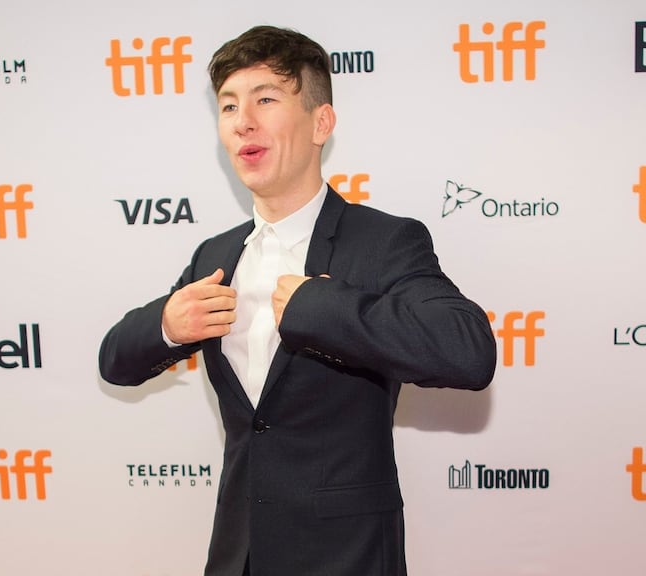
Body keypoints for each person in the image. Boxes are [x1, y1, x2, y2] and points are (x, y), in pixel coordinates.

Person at [98, 25, 497, 576]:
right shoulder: (215, 254)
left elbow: (469, 352)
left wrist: (325, 309)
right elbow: (115, 362)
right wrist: (167, 323)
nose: (243, 121)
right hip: (240, 555)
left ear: (321, 122)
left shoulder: (382, 241)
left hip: (348, 555)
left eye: (266, 99)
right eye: (229, 105)